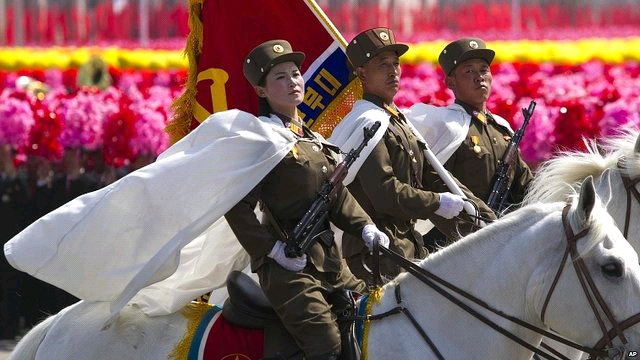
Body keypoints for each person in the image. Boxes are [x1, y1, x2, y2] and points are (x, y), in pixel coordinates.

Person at [224, 39, 389, 360]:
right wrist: (271, 250)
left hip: (328, 262)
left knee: (372, 319)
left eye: (295, 74)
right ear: (261, 91)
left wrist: (365, 228)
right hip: (287, 270)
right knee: (324, 345)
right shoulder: (262, 139)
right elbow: (236, 207)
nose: (292, 82)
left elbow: (336, 198)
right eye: (280, 78)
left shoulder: (313, 140)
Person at [329, 28, 496, 285]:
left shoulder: (397, 121)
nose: (393, 70)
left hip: (405, 246)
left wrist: (483, 216)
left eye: (395, 64)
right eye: (382, 64)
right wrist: (437, 203)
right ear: (361, 73)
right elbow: (384, 192)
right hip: (375, 253)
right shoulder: (367, 122)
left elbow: (436, 175)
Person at [406, 38, 534, 250]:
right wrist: (481, 220)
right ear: (450, 82)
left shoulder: (500, 128)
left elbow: (525, 185)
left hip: (503, 238)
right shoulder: (445, 126)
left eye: (484, 70)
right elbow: (437, 182)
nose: (479, 78)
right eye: (468, 71)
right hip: (454, 242)